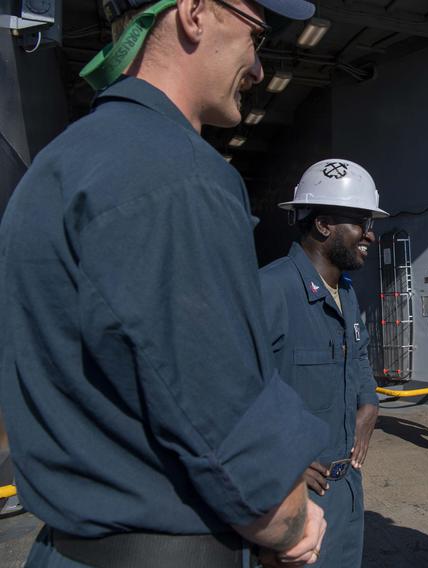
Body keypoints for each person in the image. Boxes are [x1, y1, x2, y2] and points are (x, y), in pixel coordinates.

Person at [0, 1, 331, 566]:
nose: (257, 68)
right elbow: (222, 404)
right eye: (256, 36)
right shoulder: (179, 174)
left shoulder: (55, 168)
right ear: (195, 12)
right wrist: (291, 519)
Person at [259, 159, 384, 568]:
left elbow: (358, 352)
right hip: (292, 495)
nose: (370, 234)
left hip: (346, 490)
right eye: (362, 222)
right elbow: (227, 394)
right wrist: (279, 461)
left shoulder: (344, 292)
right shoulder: (270, 291)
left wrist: (370, 401)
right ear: (324, 224)